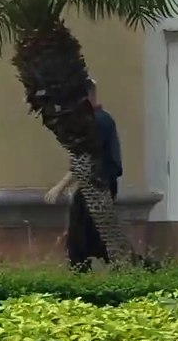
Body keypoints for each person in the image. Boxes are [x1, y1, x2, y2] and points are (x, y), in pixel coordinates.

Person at [45, 78, 123, 272]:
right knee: (92, 238)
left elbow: (84, 159)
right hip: (94, 185)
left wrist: (59, 187)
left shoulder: (98, 121)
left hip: (99, 187)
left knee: (86, 241)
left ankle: (84, 276)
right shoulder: (99, 119)